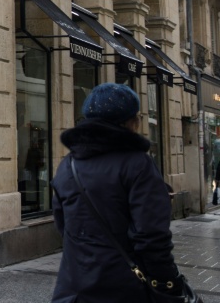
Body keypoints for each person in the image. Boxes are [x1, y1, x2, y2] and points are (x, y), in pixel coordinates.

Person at [51, 83, 183, 302]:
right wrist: (167, 281)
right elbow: (151, 236)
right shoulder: (138, 164)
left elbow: (63, 224)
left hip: (74, 285)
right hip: (124, 286)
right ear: (130, 122)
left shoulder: (68, 164)